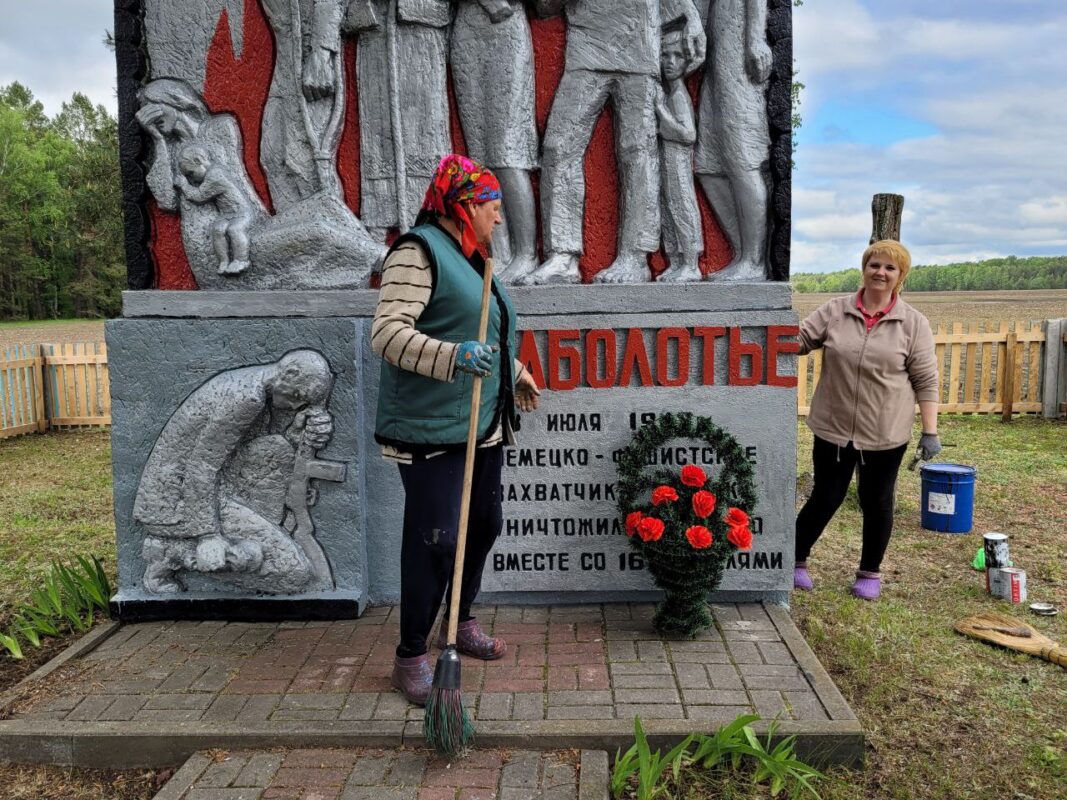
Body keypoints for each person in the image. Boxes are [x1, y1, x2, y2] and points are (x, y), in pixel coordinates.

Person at [372, 154, 542, 705]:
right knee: (437, 538)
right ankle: (410, 657)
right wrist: (453, 356)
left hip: (480, 423)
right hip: (431, 427)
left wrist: (514, 370)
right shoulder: (417, 252)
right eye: (493, 206)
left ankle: (460, 619)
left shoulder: (473, 259)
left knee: (483, 524)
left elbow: (482, 335)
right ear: (464, 205)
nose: (499, 218)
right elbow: (387, 334)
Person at [794, 240, 941, 600]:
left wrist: (930, 432)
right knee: (826, 496)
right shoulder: (835, 311)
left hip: (885, 432)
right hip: (833, 427)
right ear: (864, 268)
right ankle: (795, 561)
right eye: (875, 265)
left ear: (900, 276)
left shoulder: (913, 323)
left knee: (877, 501)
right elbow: (799, 340)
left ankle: (869, 572)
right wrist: (767, 328)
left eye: (890, 268)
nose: (881, 272)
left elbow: (926, 381)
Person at [522, 0, 705, 285]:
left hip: (640, 44)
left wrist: (691, 16)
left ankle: (635, 256)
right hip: (587, 46)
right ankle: (562, 255)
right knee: (558, 147)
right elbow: (545, 7)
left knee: (638, 151)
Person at [134, 350, 337, 595]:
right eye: (297, 396)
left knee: (280, 448)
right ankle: (172, 552)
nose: (295, 406)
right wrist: (208, 536)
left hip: (212, 487)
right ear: (289, 374)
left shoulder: (254, 386)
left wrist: (296, 434)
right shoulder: (246, 398)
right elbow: (201, 466)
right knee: (294, 573)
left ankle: (252, 539)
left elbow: (243, 450)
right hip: (175, 504)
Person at [451, 0, 540, 282]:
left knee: (508, 150)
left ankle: (526, 253)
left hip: (506, 29)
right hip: (467, 29)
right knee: (480, 155)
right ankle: (499, 253)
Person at [694, 0, 771, 281]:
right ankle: (742, 254)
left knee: (742, 160)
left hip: (739, 57)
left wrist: (755, 37)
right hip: (716, 59)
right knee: (708, 167)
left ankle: (754, 260)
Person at [655, 21, 703, 282]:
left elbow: (688, 134)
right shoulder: (670, 92)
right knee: (668, 208)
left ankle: (691, 263)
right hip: (666, 160)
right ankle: (675, 262)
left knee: (682, 207)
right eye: (665, 55)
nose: (670, 62)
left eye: (678, 56)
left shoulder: (678, 95)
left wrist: (660, 110)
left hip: (678, 163)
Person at [175, 145, 254, 276]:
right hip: (226, 214)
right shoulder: (211, 173)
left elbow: (199, 196)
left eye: (190, 173)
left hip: (241, 213)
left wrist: (184, 185)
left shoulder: (215, 174)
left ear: (198, 161)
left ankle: (241, 260)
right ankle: (224, 261)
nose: (191, 180)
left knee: (234, 229)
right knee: (217, 230)